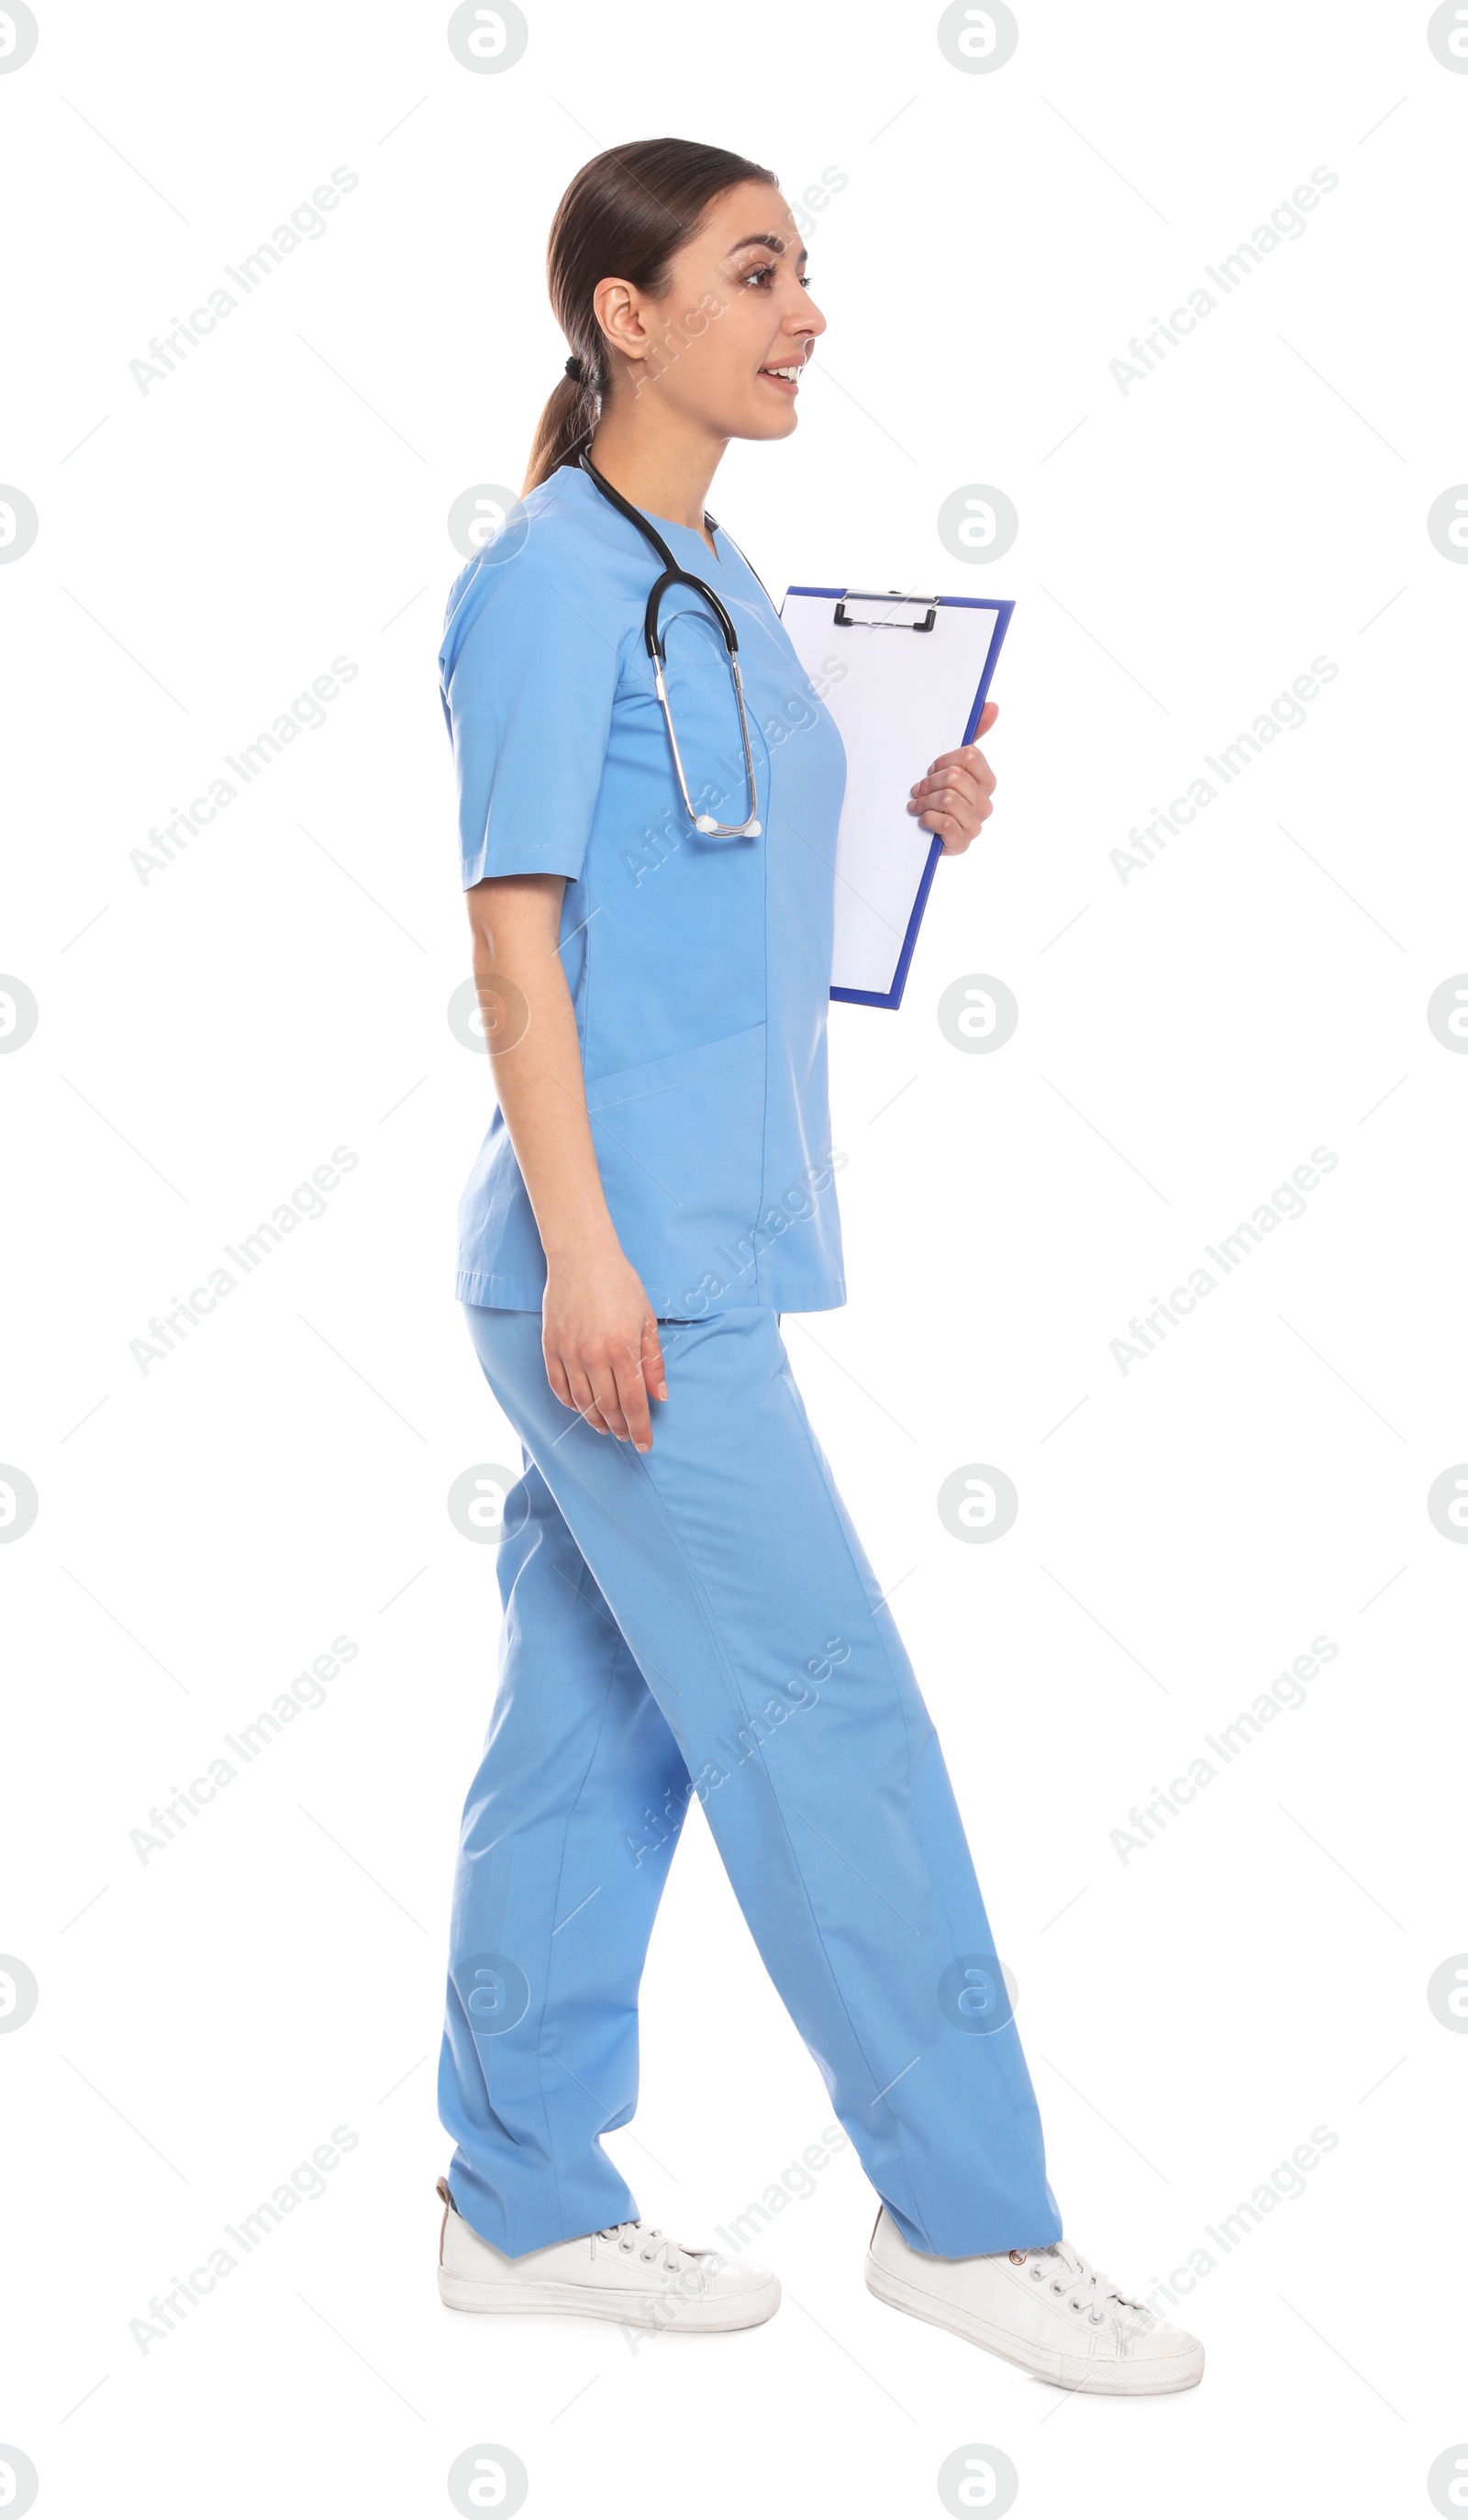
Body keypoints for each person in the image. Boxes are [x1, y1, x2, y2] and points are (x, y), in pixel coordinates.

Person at [431, 136, 1203, 2396]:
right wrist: (584, 1253)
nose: (806, 313)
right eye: (757, 273)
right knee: (833, 1722)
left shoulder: (718, 577)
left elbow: (733, 875)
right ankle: (967, 2224)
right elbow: (517, 947)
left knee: (597, 1737)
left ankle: (517, 2195)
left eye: (805, 272)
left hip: (693, 1248)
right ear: (623, 313)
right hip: (619, 1273)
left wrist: (911, 818)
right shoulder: (553, 583)